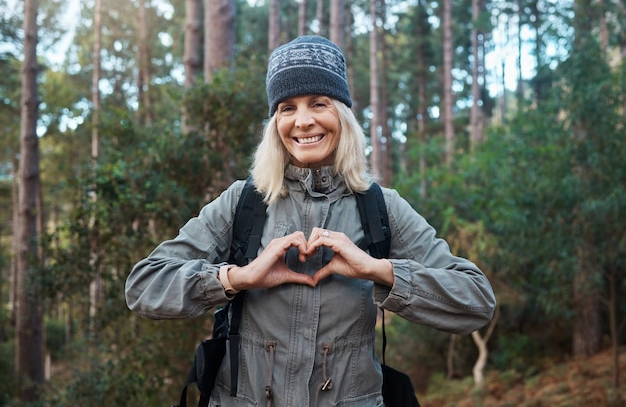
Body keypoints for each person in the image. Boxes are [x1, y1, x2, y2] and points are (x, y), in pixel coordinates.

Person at [125, 35, 496, 407]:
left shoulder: (382, 208)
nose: (303, 121)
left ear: (343, 114)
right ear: (275, 123)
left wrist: (379, 270)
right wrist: (237, 278)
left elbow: (477, 301)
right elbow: (143, 286)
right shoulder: (244, 201)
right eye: (287, 108)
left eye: (319, 103)